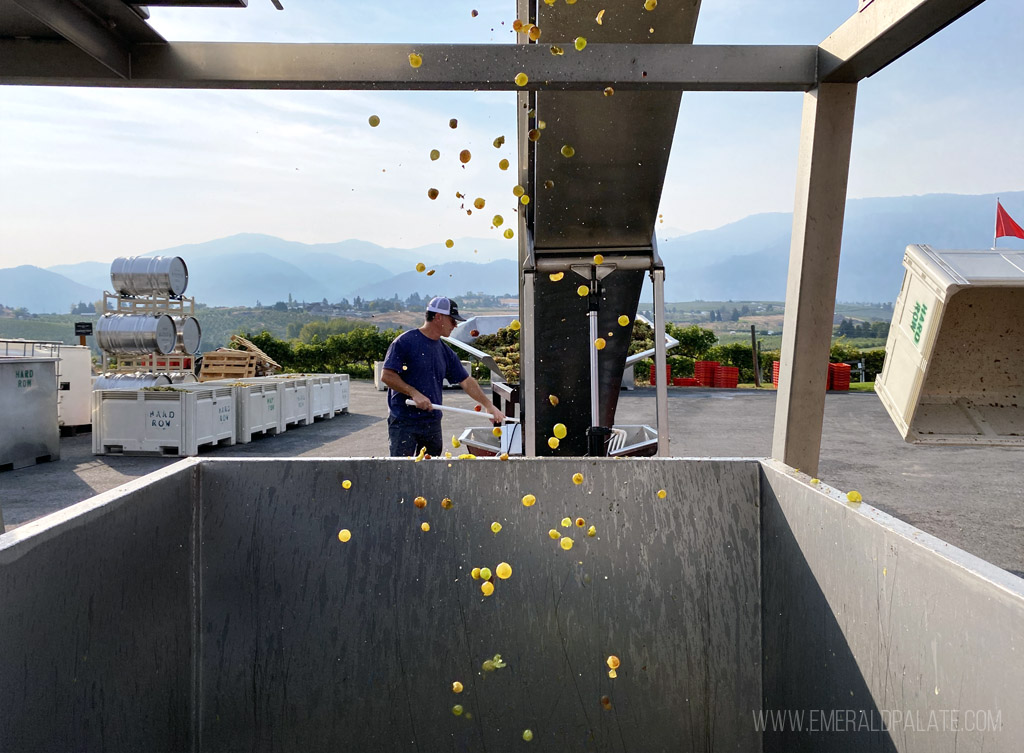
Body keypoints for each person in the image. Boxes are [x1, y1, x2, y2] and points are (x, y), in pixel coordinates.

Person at [381, 296, 505, 456]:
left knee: (432, 472)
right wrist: (414, 393)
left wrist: (488, 405)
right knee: (402, 471)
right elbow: (387, 375)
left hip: (431, 423)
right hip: (404, 422)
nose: (455, 325)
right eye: (453, 320)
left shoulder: (445, 351)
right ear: (438, 317)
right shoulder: (405, 342)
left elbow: (466, 381)